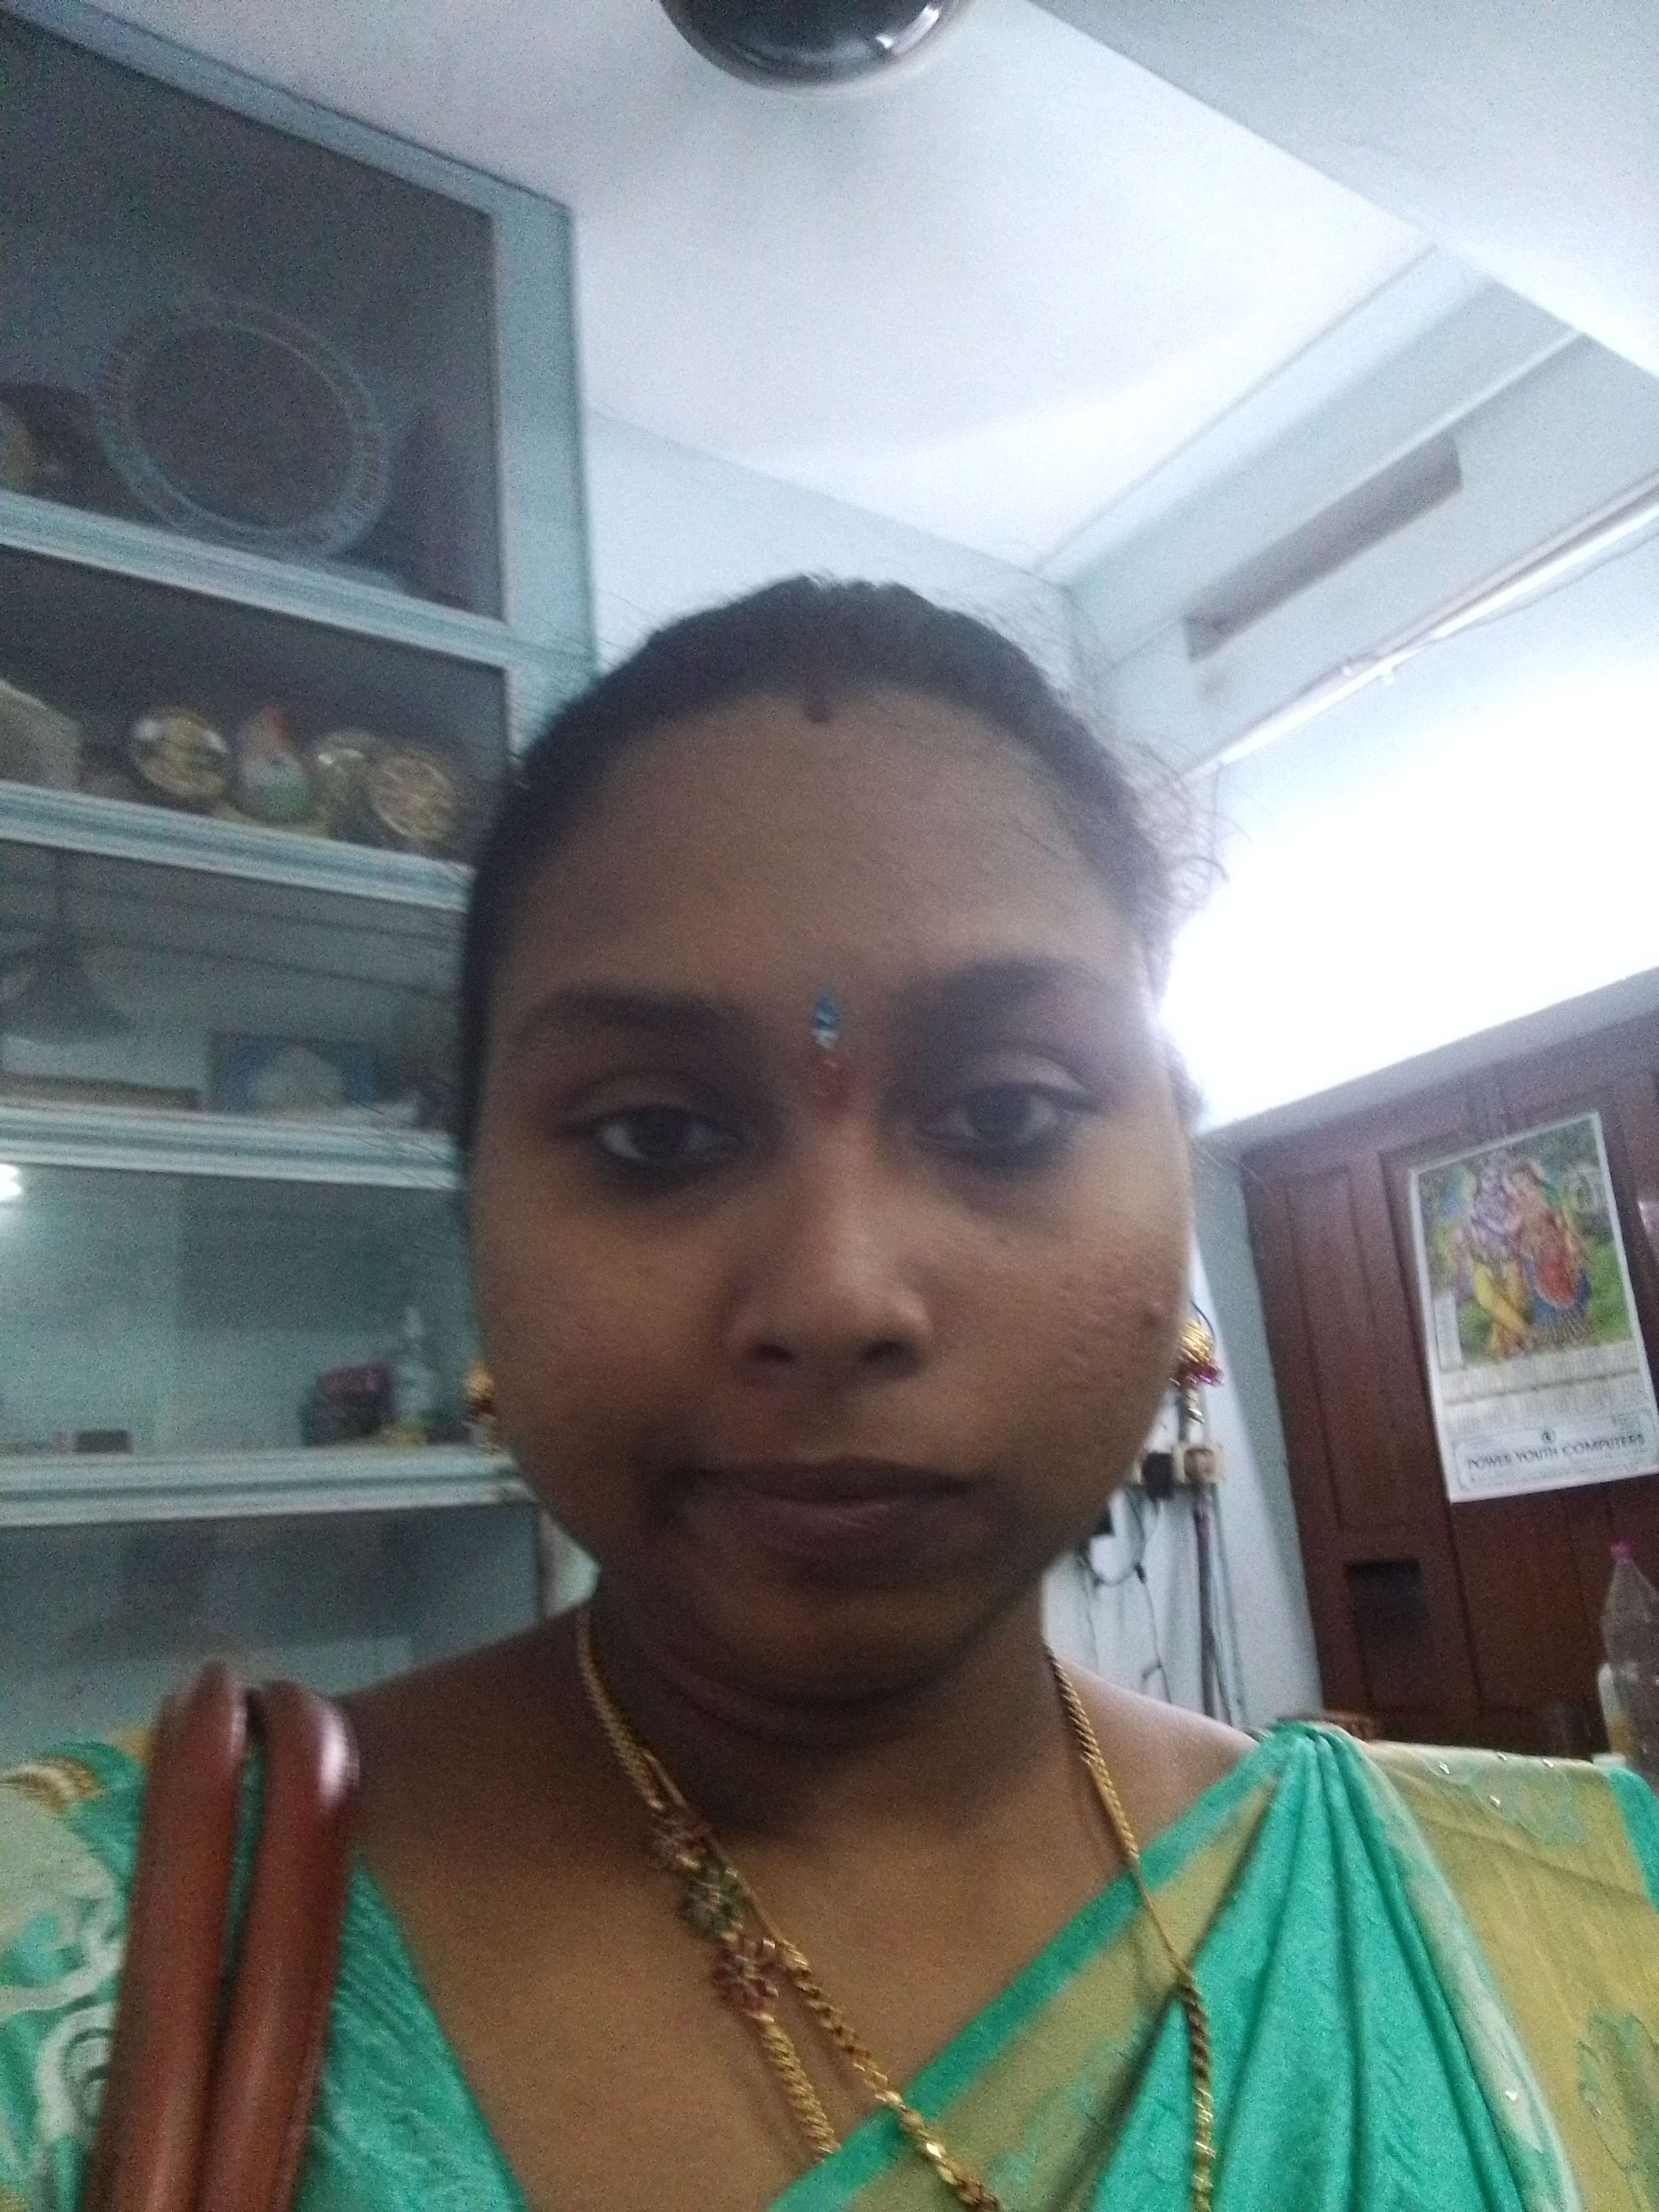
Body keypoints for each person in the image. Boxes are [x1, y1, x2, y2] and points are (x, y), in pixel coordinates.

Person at [1, 579, 1655, 2210]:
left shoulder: (1567, 1933)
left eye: (1004, 1114)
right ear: (470, 1198)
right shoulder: (78, 1983)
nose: (836, 1297)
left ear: (1175, 1155)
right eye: (655, 1134)